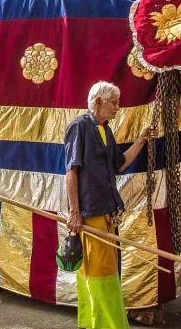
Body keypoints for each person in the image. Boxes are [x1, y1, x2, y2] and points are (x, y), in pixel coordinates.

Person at [64, 81, 149, 329]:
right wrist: (75, 213)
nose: (118, 107)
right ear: (99, 101)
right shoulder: (79, 127)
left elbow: (119, 164)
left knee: (102, 273)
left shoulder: (105, 130)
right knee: (99, 275)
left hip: (107, 212)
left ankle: (94, 324)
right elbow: (71, 172)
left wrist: (142, 140)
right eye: (114, 102)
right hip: (91, 212)